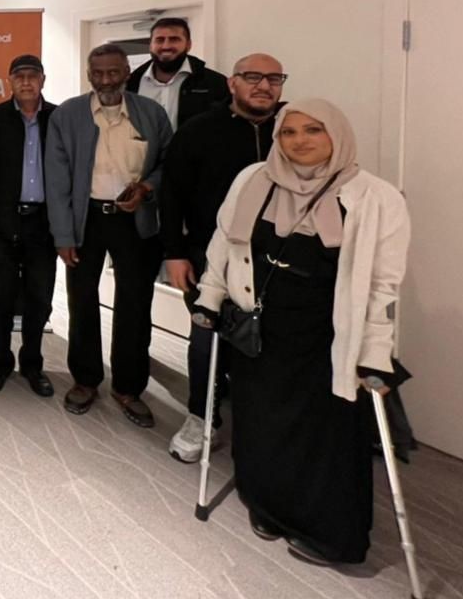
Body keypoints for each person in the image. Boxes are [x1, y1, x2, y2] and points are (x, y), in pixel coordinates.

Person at [194, 99, 409, 566]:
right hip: (259, 325)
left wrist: (375, 351)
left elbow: (382, 285)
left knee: (324, 434)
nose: (299, 141)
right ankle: (266, 505)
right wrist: (209, 298)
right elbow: (224, 241)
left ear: (338, 135)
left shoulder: (375, 197)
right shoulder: (254, 179)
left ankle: (331, 535)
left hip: (327, 336)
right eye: (289, 132)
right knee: (259, 419)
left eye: (314, 130)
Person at [158, 55, 286, 463]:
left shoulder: (293, 130)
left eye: (273, 78)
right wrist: (174, 254)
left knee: (271, 343)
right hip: (207, 256)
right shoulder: (199, 130)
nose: (263, 86)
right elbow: (172, 194)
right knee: (206, 339)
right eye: (253, 77)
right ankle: (202, 418)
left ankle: (264, 424)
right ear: (232, 83)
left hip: (278, 259)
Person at [45, 44, 172, 427]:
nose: (106, 81)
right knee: (82, 299)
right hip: (87, 220)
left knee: (135, 303)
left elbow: (170, 163)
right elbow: (58, 181)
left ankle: (129, 386)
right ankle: (85, 379)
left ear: (128, 71)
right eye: (98, 73)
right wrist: (63, 236)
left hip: (134, 221)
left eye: (113, 72)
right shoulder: (67, 115)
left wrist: (147, 189)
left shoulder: (151, 114)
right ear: (89, 74)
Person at [0, 55, 58, 397]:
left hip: (44, 224)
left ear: (43, 79)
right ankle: (0, 362)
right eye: (19, 76)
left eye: (32, 76)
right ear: (9, 81)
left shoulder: (58, 119)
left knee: (39, 298)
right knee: (1, 298)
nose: (26, 82)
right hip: (2, 222)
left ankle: (32, 363)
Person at [126, 18, 229, 132]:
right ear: (150, 45)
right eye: (160, 40)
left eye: (174, 39)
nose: (166, 46)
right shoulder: (131, 83)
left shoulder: (215, 83)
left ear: (188, 45)